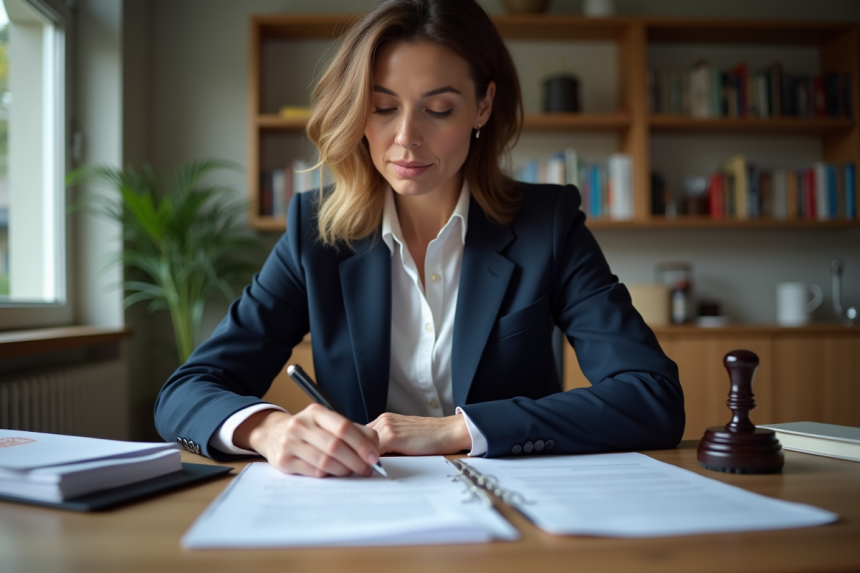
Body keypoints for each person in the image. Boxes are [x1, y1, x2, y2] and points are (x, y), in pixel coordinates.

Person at [154, 0, 684, 478]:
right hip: (366, 507)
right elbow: (185, 391)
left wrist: (455, 430)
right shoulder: (315, 234)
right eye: (383, 107)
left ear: (482, 107)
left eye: (439, 109)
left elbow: (652, 398)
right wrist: (268, 430)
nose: (406, 136)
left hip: (517, 515)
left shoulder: (546, 224)